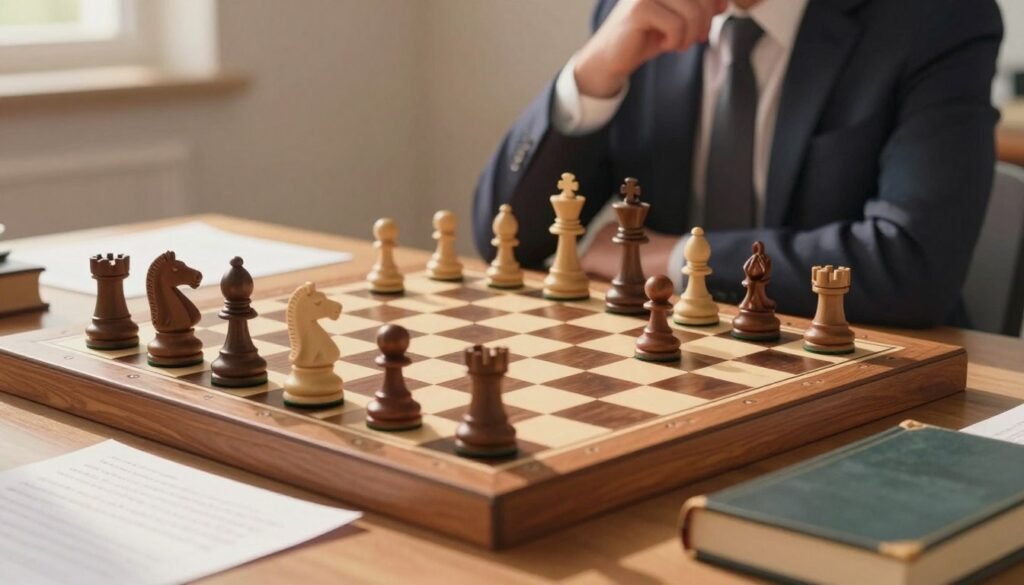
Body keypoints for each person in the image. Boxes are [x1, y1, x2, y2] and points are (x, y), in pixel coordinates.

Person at [472, 0, 1003, 327]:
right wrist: (592, 74)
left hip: (864, 377)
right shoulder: (637, 11)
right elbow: (508, 238)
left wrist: (679, 259)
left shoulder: (941, 17)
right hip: (670, 361)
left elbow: (914, 268)